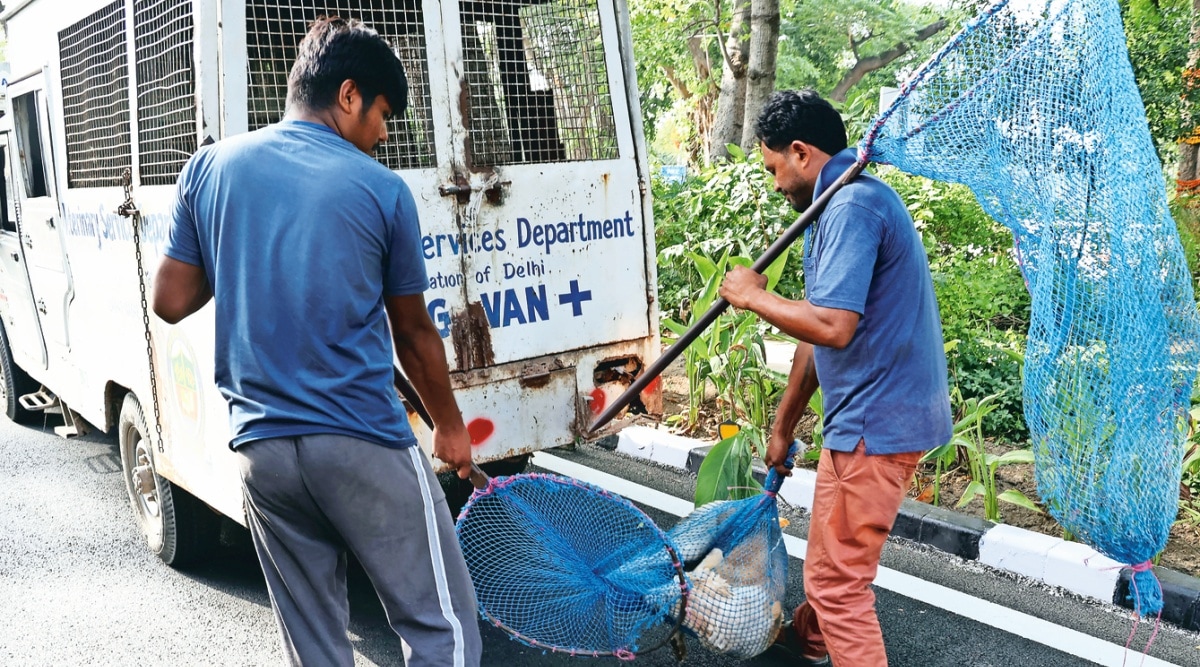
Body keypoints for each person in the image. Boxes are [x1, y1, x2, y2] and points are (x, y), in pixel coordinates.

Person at [152, 17, 482, 667]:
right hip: (360, 436)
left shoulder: (210, 168)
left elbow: (170, 299)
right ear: (350, 94)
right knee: (442, 625)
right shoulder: (381, 189)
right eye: (384, 113)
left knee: (316, 646)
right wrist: (450, 426)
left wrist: (246, 249)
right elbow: (413, 334)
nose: (384, 134)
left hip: (263, 448)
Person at [719, 89, 952, 666]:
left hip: (877, 424)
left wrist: (753, 296)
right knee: (827, 566)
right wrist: (782, 428)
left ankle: (837, 643)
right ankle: (812, 644)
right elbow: (813, 338)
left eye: (775, 167)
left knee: (838, 587)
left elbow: (833, 326)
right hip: (862, 423)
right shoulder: (831, 208)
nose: (774, 184)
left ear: (801, 152)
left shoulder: (852, 206)